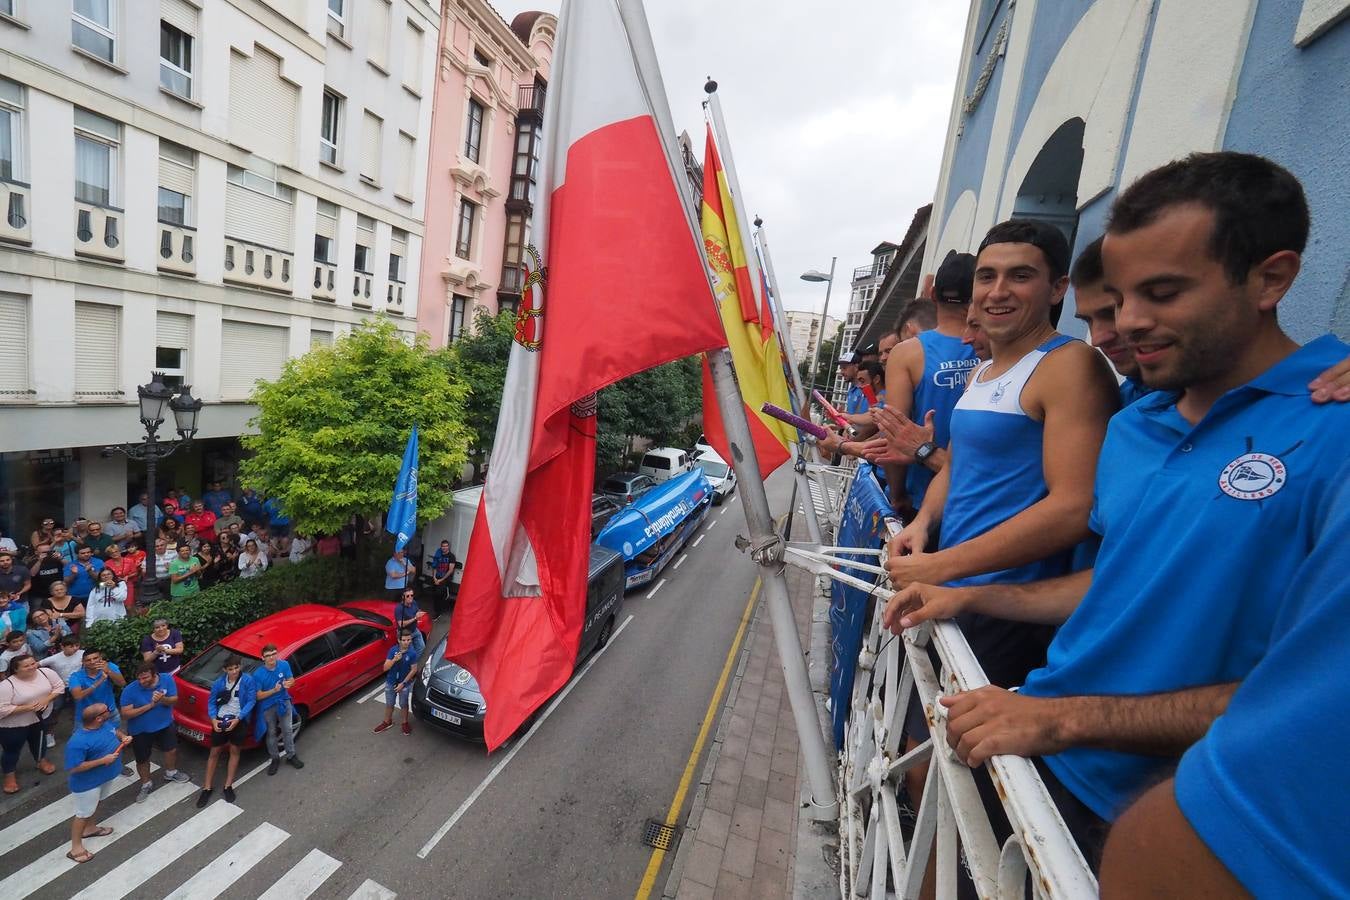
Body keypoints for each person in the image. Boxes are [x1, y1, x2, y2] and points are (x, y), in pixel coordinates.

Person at [884, 152, 1350, 868]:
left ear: (1272, 278)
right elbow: (1114, 583)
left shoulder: (1332, 431)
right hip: (1037, 740)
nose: (1124, 326)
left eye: (1162, 293)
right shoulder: (1137, 421)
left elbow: (1310, 699)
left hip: (1176, 818)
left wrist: (1065, 719)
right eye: (1115, 301)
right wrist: (968, 593)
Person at [871, 252, 982, 513]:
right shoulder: (996, 349)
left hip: (920, 500)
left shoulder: (908, 353)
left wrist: (897, 495)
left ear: (932, 295)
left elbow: (894, 431)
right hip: (977, 503)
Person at [63, 703, 131, 863]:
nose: (109, 710)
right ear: (98, 718)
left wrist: (123, 738)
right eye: (105, 710)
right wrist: (102, 760)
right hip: (88, 784)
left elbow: (116, 731)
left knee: (97, 804)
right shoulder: (77, 742)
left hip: (105, 777)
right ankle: (76, 848)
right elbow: (74, 767)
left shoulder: (105, 724)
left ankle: (90, 828)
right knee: (83, 814)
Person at [119, 662, 191, 802]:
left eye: (145, 678)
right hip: (140, 731)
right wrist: (150, 706)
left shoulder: (167, 679)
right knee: (142, 759)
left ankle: (171, 772)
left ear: (154, 674)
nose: (142, 681)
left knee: (171, 750)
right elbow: (126, 714)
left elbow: (174, 700)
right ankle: (146, 784)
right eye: (139, 678)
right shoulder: (130, 690)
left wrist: (162, 699)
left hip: (165, 725)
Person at [197, 653, 257, 807]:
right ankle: (207, 787)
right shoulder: (218, 683)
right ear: (225, 670)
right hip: (221, 719)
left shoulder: (248, 680)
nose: (234, 671)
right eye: (231, 669)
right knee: (214, 753)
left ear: (240, 667)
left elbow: (251, 701)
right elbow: (211, 703)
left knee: (235, 751)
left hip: (238, 720)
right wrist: (213, 719)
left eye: (237, 668)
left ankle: (228, 785)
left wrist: (239, 718)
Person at [0, 653, 63, 793]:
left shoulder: (46, 672)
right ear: (15, 669)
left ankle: (41, 760)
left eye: (33, 663)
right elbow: (2, 709)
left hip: (40, 718)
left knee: (39, 741)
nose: (32, 667)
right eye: (26, 666)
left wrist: (46, 700)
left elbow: (59, 687)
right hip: (13, 724)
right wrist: (28, 707)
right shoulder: (6, 685)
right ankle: (9, 775)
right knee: (12, 750)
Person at [252, 643, 303, 775]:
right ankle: (275, 758)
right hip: (267, 706)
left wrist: (289, 683)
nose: (271, 658)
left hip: (283, 702)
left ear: (277, 654)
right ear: (262, 658)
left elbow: (292, 679)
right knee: (271, 733)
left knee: (287, 729)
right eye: (268, 656)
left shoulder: (284, 665)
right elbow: (258, 696)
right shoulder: (258, 674)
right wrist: (274, 690)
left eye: (274, 654)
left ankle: (291, 755)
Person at [373, 630, 419, 735]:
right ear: (399, 640)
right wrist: (394, 660)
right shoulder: (393, 650)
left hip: (404, 683)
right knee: (389, 704)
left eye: (409, 640)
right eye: (404, 640)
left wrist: (403, 683)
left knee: (403, 704)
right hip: (391, 681)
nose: (406, 642)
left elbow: (414, 670)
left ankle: (405, 723)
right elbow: (385, 668)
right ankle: (387, 722)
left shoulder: (412, 653)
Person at [68, 648, 125, 727]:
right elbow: (77, 696)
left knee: (114, 738)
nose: (92, 662)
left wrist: (108, 671)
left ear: (100, 658)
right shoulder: (76, 676)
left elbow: (122, 683)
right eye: (88, 660)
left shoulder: (109, 666)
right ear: (83, 662)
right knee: (84, 739)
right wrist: (98, 682)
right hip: (87, 717)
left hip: (109, 713)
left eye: (95, 658)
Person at [102, 541, 143, 611]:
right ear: (109, 555)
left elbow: (135, 572)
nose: (115, 554)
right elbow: (105, 575)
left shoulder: (129, 560)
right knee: (118, 606)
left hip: (127, 584)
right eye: (112, 553)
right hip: (114, 585)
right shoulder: (107, 564)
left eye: (116, 551)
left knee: (129, 606)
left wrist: (127, 576)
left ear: (120, 551)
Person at [428, 540, 458, 619]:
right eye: (443, 546)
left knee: (439, 595)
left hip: (444, 579)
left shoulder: (451, 556)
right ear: (441, 547)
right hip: (436, 577)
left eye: (446, 546)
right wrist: (434, 577)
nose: (444, 548)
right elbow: (435, 566)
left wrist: (441, 580)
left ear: (448, 547)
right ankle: (436, 610)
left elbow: (450, 570)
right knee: (434, 595)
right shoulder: (439, 554)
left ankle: (438, 613)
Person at [392, 587, 426, 655]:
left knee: (422, 647)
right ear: (403, 597)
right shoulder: (399, 609)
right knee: (408, 652)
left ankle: (413, 662)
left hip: (414, 630)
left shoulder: (413, 602)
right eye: (407, 596)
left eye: (412, 595)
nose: (410, 597)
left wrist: (419, 613)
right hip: (405, 634)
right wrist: (415, 618)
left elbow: (417, 610)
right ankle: (409, 662)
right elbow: (401, 624)